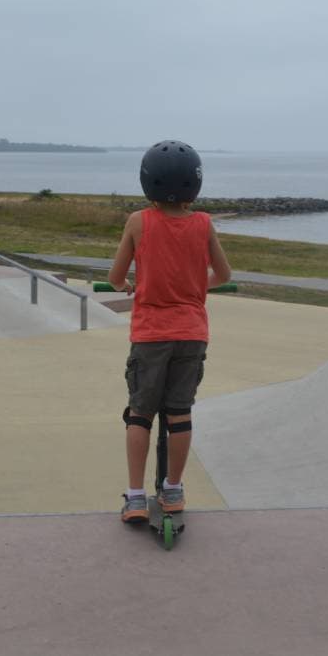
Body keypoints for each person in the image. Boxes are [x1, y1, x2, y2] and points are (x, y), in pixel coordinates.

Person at [108, 140, 232, 523]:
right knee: (179, 413)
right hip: (191, 333)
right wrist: (197, 289)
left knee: (140, 414)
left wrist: (130, 287)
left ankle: (134, 496)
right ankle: (174, 489)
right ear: (194, 184)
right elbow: (224, 275)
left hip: (150, 334)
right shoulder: (203, 223)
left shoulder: (138, 222)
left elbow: (115, 278)